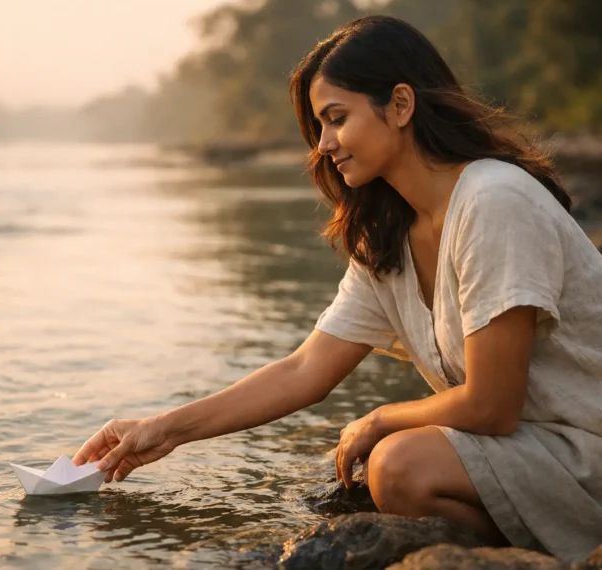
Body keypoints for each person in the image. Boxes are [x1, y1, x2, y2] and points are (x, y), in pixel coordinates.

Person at [72, 15, 602, 562]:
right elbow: (306, 369)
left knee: (398, 465)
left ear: (400, 105)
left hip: (587, 448)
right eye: (319, 127)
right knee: (389, 470)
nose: (324, 144)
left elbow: (492, 406)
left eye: (336, 119)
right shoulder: (391, 235)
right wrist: (164, 431)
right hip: (527, 451)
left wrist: (378, 418)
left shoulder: (493, 201)